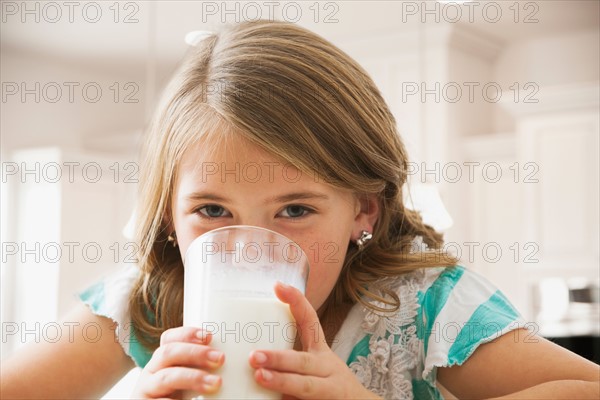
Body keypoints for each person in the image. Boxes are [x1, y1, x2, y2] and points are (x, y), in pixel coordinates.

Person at [1, 20, 598, 400]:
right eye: (211, 210)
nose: (250, 247)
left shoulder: (425, 304)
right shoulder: (152, 296)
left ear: (364, 210)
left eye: (294, 211)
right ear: (167, 215)